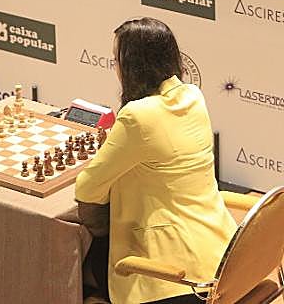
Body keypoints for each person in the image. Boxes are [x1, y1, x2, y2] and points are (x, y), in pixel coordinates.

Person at [74, 17, 237, 304]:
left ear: (133, 66)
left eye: (116, 61)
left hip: (175, 278)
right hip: (223, 257)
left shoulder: (137, 116)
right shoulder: (193, 96)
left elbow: (87, 188)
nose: (116, 69)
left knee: (82, 263)